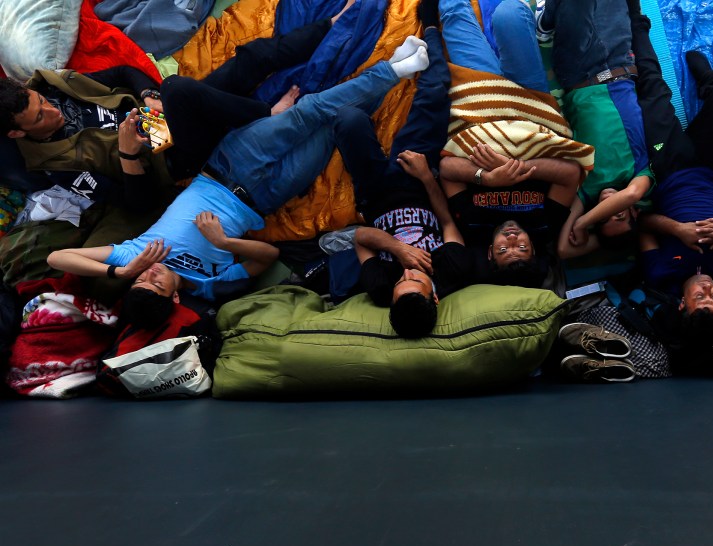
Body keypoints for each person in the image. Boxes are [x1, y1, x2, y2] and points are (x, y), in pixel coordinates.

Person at [46, 38, 432, 328]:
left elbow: (57, 258)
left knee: (309, 111)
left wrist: (121, 273)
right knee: (333, 126)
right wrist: (223, 243)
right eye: (155, 284)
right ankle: (387, 76)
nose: (150, 275)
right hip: (266, 197)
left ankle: (394, 70)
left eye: (141, 282)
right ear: (174, 295)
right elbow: (267, 258)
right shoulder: (206, 284)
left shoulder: (133, 258)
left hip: (226, 166)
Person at [0, 0, 357, 206]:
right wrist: (126, 154)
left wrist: (148, 96)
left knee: (249, 59)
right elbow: (137, 204)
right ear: (18, 133)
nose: (51, 110)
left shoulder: (55, 89)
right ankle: (269, 114)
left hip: (158, 116)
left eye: (40, 101)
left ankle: (331, 24)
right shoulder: (56, 167)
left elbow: (124, 72)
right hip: (167, 158)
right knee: (180, 88)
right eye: (39, 116)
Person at [337, 6, 474, 338]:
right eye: (416, 281)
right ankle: (430, 26)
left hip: (374, 193)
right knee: (437, 91)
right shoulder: (451, 270)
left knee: (346, 120)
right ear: (436, 296)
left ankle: (392, 71)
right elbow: (447, 223)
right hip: (416, 181)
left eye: (402, 281)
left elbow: (360, 237)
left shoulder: (381, 288)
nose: (408, 273)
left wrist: (398, 250)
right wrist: (427, 176)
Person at [436, 0, 592, 284]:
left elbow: (446, 169)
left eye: (503, 250)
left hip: (479, 107)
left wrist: (488, 179)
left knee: (455, 14)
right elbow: (570, 174)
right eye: (521, 247)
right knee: (510, 14)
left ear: (488, 253)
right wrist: (513, 166)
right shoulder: (544, 225)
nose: (512, 238)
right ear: (533, 249)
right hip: (531, 108)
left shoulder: (472, 224)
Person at [628, 0, 713, 326]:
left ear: (682, 305)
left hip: (668, 167)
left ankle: (635, 19)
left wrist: (678, 230)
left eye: (701, 299)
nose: (710, 291)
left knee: (652, 88)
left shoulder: (661, 273)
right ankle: (707, 80)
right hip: (711, 168)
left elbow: (641, 224)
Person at [536, 0, 653, 260]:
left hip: (579, 72)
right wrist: (584, 223)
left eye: (604, 217)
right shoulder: (639, 176)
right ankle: (551, 15)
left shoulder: (587, 190)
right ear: (634, 211)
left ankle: (547, 21)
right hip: (619, 61)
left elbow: (564, 250)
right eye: (618, 212)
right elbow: (632, 194)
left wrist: (584, 225)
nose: (608, 206)